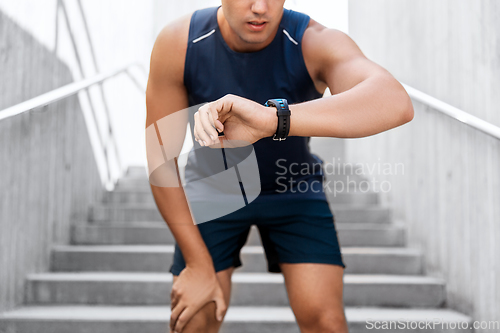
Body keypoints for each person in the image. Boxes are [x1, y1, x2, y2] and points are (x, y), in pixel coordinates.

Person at [145, 1, 414, 333]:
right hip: (214, 190)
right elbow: (161, 161)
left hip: (293, 186)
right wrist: (198, 265)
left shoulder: (312, 40)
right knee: (195, 319)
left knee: (326, 322)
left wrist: (272, 120)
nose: (261, 7)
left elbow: (395, 101)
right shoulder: (179, 43)